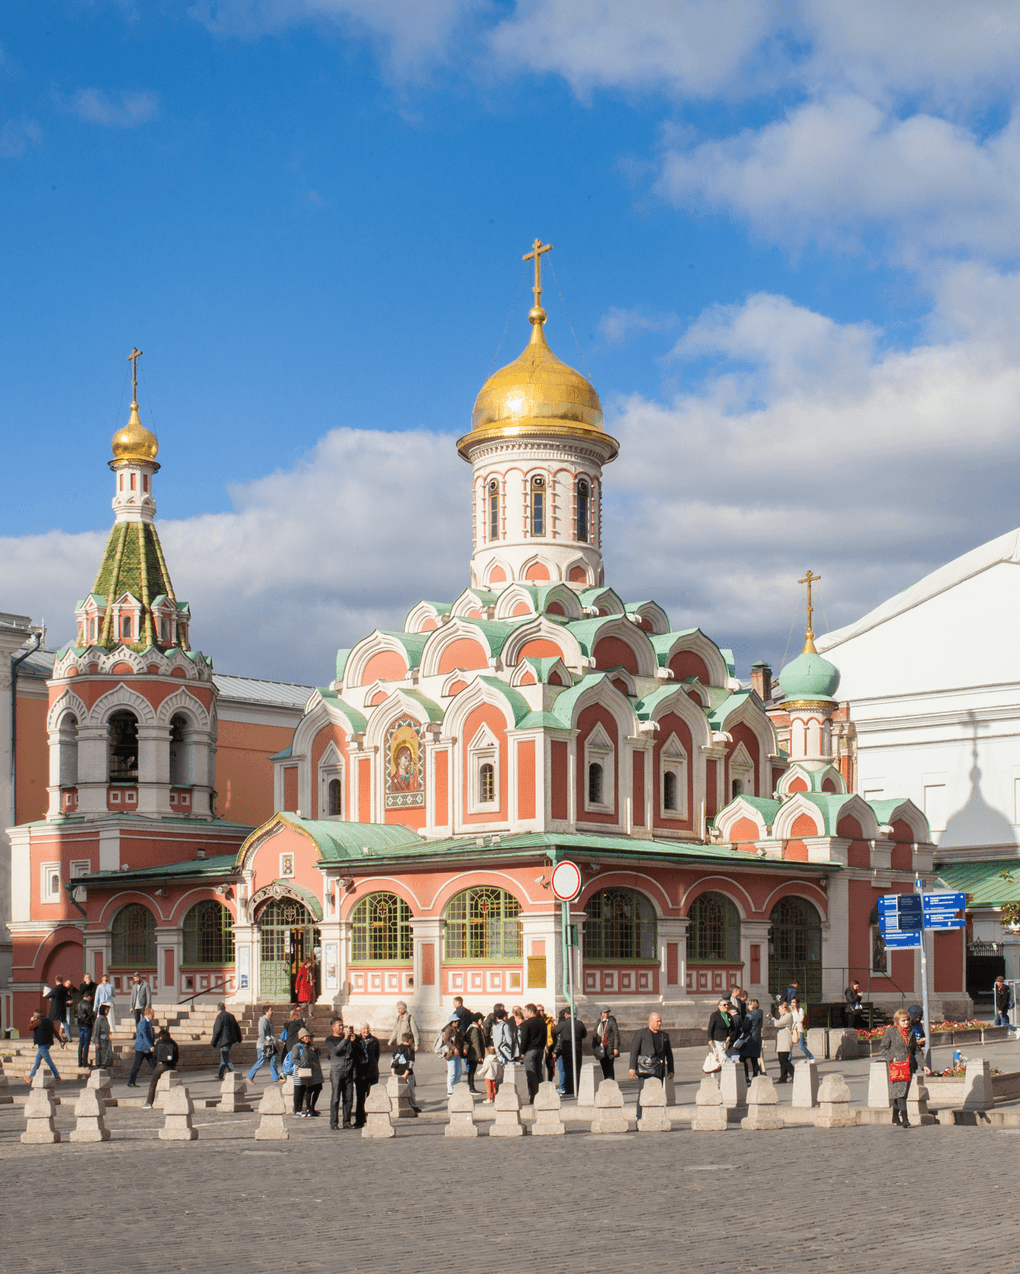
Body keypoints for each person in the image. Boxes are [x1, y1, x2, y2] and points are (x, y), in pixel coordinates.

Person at [879, 1007, 931, 1126]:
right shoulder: (891, 1032)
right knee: (900, 1093)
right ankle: (905, 1119)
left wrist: (924, 1066)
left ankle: (895, 1117)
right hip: (896, 1066)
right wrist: (891, 1058)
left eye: (907, 1020)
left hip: (908, 1066)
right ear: (897, 1021)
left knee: (903, 1093)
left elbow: (916, 1051)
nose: (906, 1022)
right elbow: (882, 1048)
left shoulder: (911, 1032)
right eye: (903, 1020)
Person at [628, 1012, 674, 1119]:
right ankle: (639, 1117)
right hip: (645, 1070)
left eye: (660, 1021)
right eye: (657, 1021)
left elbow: (669, 1055)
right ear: (650, 1022)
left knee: (658, 1094)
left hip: (658, 1070)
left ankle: (657, 1116)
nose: (659, 1023)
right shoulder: (640, 1033)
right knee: (642, 1094)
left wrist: (671, 1070)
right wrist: (632, 1068)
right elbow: (634, 1051)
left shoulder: (664, 1036)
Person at [326, 1020, 356, 1129]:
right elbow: (335, 1051)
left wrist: (353, 1042)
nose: (341, 1028)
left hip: (348, 1071)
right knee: (335, 1098)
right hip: (336, 1072)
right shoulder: (330, 1039)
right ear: (333, 1027)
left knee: (348, 1098)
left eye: (342, 1025)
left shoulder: (348, 1038)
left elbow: (353, 1053)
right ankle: (334, 1123)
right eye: (339, 1025)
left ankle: (347, 1122)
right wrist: (345, 1039)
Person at [552, 1006, 587, 1097]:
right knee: (577, 1069)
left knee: (567, 1070)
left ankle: (569, 1089)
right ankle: (576, 1087)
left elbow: (554, 1031)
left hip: (566, 1050)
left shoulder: (562, 1024)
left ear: (566, 1015)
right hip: (578, 1050)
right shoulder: (579, 1023)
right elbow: (584, 1035)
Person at [143, 1027, 179, 1109]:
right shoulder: (174, 1043)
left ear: (160, 1036)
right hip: (171, 1066)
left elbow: (155, 1055)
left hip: (161, 1065)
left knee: (153, 1083)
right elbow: (176, 1058)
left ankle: (149, 1102)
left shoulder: (159, 1042)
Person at [290, 1027, 323, 1117]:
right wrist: (305, 1064)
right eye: (306, 1037)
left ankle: (301, 1109)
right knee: (298, 1091)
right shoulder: (297, 1046)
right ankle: (297, 1110)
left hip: (306, 1073)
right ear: (301, 1038)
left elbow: (319, 1053)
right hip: (299, 1072)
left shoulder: (308, 1047)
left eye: (309, 1037)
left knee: (303, 1090)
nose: (308, 1039)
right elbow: (293, 1059)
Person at [353, 1022, 380, 1127]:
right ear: (360, 1030)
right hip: (360, 1073)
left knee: (372, 1097)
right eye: (364, 1029)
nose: (366, 1030)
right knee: (360, 1098)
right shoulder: (356, 1041)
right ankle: (360, 1120)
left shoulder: (374, 1041)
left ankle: (372, 1119)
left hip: (372, 1072)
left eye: (367, 1028)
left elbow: (377, 1056)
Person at [518, 1004, 546, 1101]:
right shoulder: (542, 1022)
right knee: (539, 1073)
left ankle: (534, 1096)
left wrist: (522, 1052)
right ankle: (542, 1094)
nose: (524, 1013)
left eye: (525, 1011)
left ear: (530, 1011)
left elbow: (524, 1039)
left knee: (531, 1074)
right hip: (540, 1050)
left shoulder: (527, 1023)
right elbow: (545, 1037)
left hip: (530, 1051)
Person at [247, 1006, 282, 1083]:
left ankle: (275, 1078)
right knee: (260, 1062)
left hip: (270, 1045)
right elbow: (262, 1033)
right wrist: (264, 1044)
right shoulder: (263, 1021)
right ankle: (249, 1077)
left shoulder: (269, 1021)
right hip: (263, 1046)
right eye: (271, 1010)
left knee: (273, 1060)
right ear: (266, 1011)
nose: (272, 1012)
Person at [27, 1011, 62, 1082]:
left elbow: (30, 1028)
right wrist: (60, 1040)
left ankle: (57, 1076)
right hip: (48, 1043)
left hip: (42, 1044)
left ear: (37, 1015)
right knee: (37, 1060)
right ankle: (30, 1077)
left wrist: (31, 1021)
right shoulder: (49, 1021)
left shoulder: (38, 1021)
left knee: (48, 1061)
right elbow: (55, 1031)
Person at [211, 1001, 243, 1079]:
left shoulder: (220, 1017)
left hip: (223, 1040)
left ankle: (233, 1072)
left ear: (218, 1009)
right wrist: (239, 1038)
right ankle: (220, 1074)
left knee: (225, 1058)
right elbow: (237, 1028)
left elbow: (217, 1030)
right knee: (224, 1057)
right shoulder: (231, 1016)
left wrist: (213, 1042)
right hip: (230, 1040)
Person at [390, 1031, 420, 1113]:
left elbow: (393, 1061)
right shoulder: (410, 1050)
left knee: (398, 1090)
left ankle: (398, 1104)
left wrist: (393, 1074)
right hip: (407, 1074)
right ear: (410, 1040)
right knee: (410, 1090)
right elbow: (410, 1064)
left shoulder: (398, 1048)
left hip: (397, 1072)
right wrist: (405, 1075)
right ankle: (413, 1106)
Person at [127, 1007, 157, 1087]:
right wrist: (150, 1046)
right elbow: (144, 1036)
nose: (153, 1016)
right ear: (147, 1014)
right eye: (152, 1014)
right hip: (141, 1048)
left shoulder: (148, 1022)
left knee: (154, 1064)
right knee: (136, 1066)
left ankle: (159, 1080)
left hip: (146, 1047)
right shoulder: (143, 1022)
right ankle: (131, 1082)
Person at [737, 998, 765, 1079]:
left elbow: (745, 1027)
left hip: (749, 1039)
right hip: (757, 1039)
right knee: (754, 1059)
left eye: (749, 1004)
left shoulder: (750, 1015)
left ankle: (746, 1076)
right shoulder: (760, 1013)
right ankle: (755, 1075)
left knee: (743, 1058)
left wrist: (741, 1029)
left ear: (752, 1005)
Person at [769, 1001, 795, 1083]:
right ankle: (783, 1077)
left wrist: (772, 1018)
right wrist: (771, 1019)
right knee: (781, 1060)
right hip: (781, 1042)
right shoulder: (783, 1016)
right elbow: (775, 1023)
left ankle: (795, 1074)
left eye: (780, 1009)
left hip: (785, 1041)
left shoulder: (788, 1016)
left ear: (785, 1009)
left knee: (784, 1060)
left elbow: (778, 1024)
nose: (778, 1011)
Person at [706, 998, 737, 1066]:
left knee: (719, 1057)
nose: (726, 1006)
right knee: (723, 1056)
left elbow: (733, 1028)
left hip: (726, 1040)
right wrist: (710, 1039)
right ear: (719, 1006)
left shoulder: (728, 1016)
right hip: (717, 1040)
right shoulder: (715, 1015)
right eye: (724, 1005)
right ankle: (724, 1071)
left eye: (727, 1005)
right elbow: (710, 1028)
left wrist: (730, 1036)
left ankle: (716, 1071)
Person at [593, 1005, 621, 1081]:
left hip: (609, 1047)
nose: (606, 1014)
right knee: (603, 1066)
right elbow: (595, 1034)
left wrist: (616, 1048)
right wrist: (594, 1047)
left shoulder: (611, 1022)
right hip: (601, 1047)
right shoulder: (599, 1022)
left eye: (607, 1012)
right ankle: (606, 1081)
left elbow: (616, 1035)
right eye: (604, 1013)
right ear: (601, 1013)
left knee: (610, 1066)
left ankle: (611, 1082)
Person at [276, 1007, 306, 1073]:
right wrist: (301, 1020)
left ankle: (284, 1072)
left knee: (289, 1059)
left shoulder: (289, 1023)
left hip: (289, 1044)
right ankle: (287, 1073)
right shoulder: (294, 1025)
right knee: (293, 1059)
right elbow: (304, 1029)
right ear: (295, 1016)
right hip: (293, 1044)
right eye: (299, 1015)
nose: (300, 1017)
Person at [441, 1015, 465, 1095]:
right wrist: (454, 1048)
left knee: (458, 1071)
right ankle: (450, 1089)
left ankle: (456, 1087)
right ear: (451, 1022)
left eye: (457, 1021)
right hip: (451, 1053)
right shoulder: (448, 1029)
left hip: (458, 1053)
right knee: (452, 1072)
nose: (456, 1023)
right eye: (455, 1022)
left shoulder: (457, 1030)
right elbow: (446, 1041)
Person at [464, 1012, 486, 1094]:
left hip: (473, 1053)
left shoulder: (475, 1028)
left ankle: (471, 1087)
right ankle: (471, 1088)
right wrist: (479, 1056)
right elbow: (476, 1043)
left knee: (471, 1070)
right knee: (472, 1070)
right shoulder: (474, 1029)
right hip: (473, 1053)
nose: (483, 1021)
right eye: (482, 1019)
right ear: (477, 1020)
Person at [789, 996, 814, 1061]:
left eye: (794, 1002)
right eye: (791, 1002)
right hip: (792, 1030)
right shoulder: (790, 1010)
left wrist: (795, 1011)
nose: (792, 1004)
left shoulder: (800, 1010)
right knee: (789, 1046)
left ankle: (811, 1057)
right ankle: (788, 1060)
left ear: (797, 1003)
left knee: (801, 1046)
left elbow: (800, 1019)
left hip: (799, 1030)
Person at [75, 990, 95, 1068]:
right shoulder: (88, 1004)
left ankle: (79, 1061)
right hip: (87, 1025)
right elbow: (91, 1015)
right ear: (89, 997)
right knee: (86, 1044)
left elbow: (76, 1014)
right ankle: (84, 1062)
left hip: (80, 1025)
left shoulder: (78, 1004)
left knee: (81, 1044)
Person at [93, 1004, 114, 1070]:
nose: (108, 1012)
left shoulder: (105, 1019)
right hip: (101, 1041)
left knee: (107, 1055)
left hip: (106, 1040)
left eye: (108, 1010)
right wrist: (96, 1042)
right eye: (106, 1010)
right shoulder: (99, 1020)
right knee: (102, 1057)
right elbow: (96, 1031)